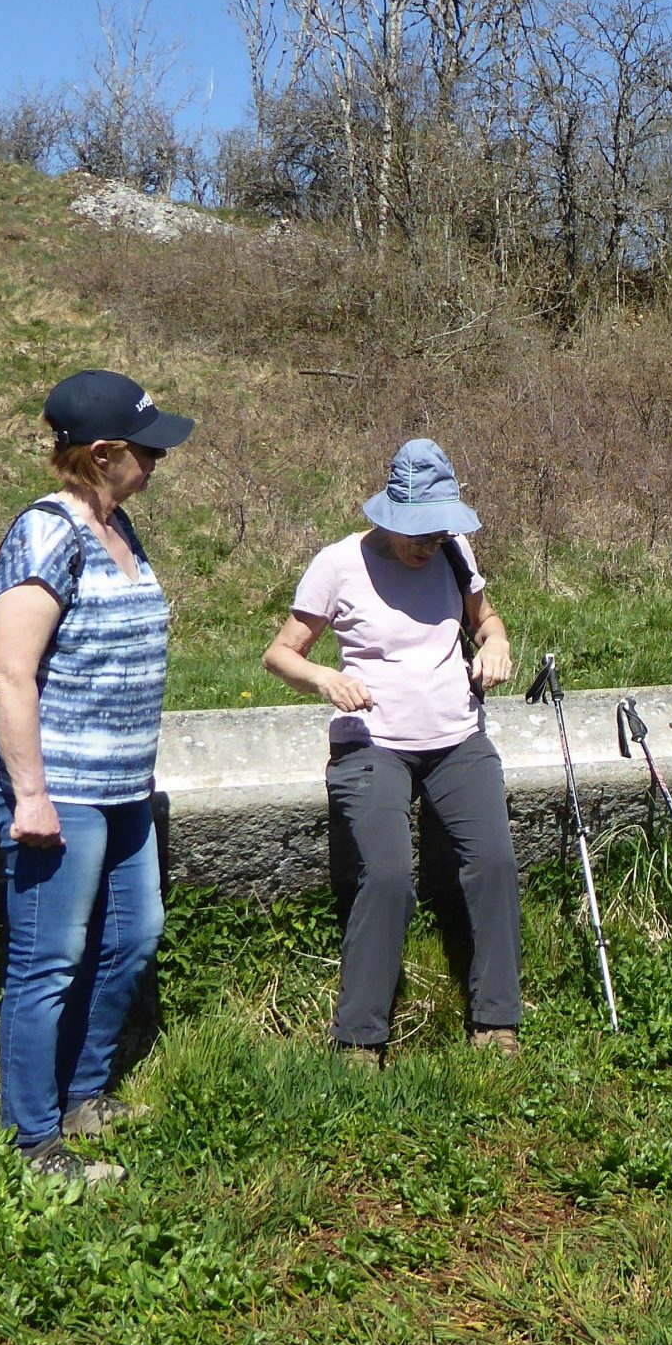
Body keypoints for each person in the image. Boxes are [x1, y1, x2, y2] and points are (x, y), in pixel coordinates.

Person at [0, 369, 191, 1183]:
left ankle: (83, 1094)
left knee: (134, 935)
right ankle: (33, 1141)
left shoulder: (119, 525)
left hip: (123, 785)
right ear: (101, 453)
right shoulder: (47, 535)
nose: (157, 460)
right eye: (145, 448)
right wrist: (30, 795)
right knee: (48, 961)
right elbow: (9, 673)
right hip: (58, 787)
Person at [264, 439, 523, 1062]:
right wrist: (326, 680)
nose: (427, 545)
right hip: (372, 744)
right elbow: (280, 654)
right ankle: (360, 1036)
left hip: (457, 738)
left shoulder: (455, 553)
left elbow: (486, 620)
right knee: (387, 875)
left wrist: (495, 644)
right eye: (416, 533)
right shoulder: (338, 563)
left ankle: (496, 1022)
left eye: (438, 533)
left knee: (493, 863)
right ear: (388, 517)